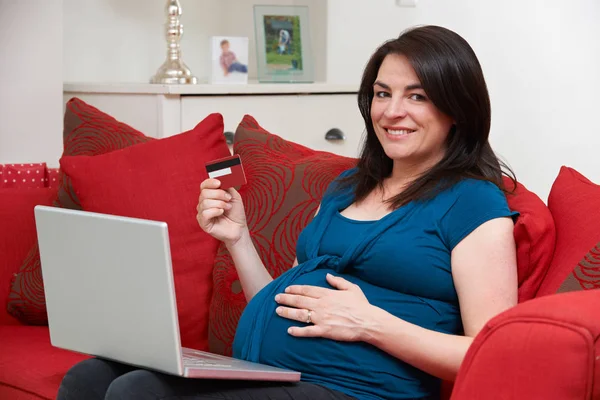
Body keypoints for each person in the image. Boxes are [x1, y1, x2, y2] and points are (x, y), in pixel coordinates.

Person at [57, 25, 519, 400]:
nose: (392, 111)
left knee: (140, 393)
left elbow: (495, 352)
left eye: (417, 96)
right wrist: (238, 237)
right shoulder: (345, 189)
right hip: (274, 373)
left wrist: (370, 323)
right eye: (382, 94)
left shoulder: (473, 202)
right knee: (89, 378)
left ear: (457, 109)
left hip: (359, 391)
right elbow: (286, 299)